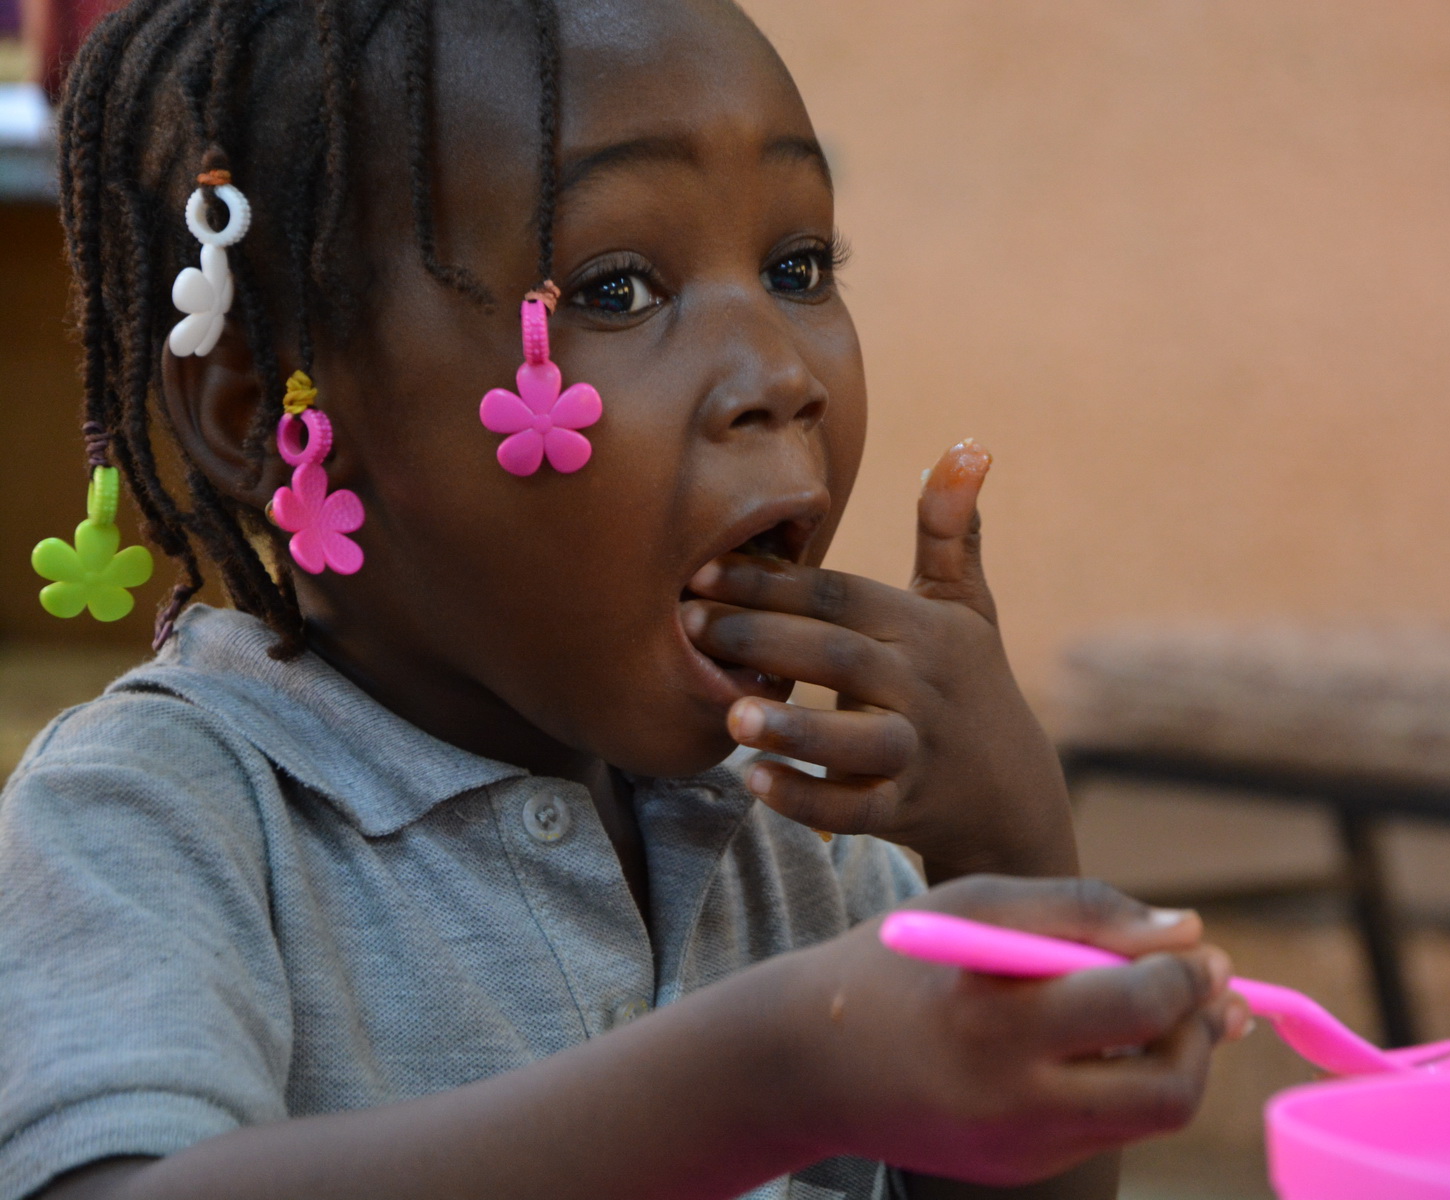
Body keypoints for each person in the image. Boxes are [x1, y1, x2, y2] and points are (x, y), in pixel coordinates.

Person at [0, 2, 1247, 1198]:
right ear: (270, 416)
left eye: (799, 264)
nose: (777, 373)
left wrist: (1009, 857)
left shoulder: (803, 846)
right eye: (613, 290)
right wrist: (765, 1079)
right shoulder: (157, 818)